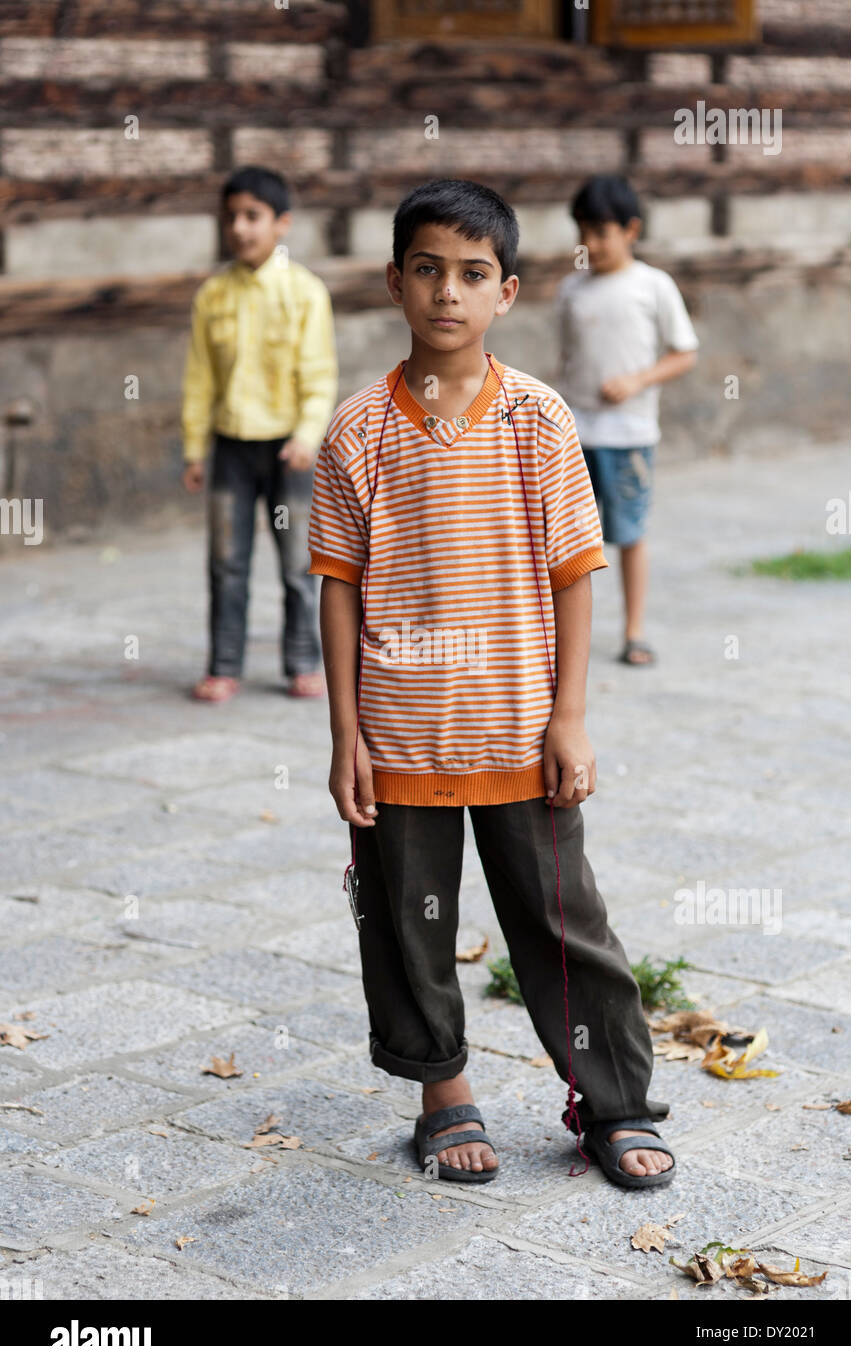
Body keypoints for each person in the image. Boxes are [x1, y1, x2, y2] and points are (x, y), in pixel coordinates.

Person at [307, 179, 674, 1190]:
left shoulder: (538, 421)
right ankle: (442, 1090)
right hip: (399, 734)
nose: (446, 293)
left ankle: (612, 1101)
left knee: (564, 923)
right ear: (393, 280)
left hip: (520, 728)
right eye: (426, 268)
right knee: (407, 923)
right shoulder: (355, 434)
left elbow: (571, 574)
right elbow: (337, 591)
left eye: (472, 274)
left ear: (507, 291)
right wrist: (345, 737)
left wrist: (569, 717)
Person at [181, 165, 338, 700]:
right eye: (231, 217)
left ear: (282, 223)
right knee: (226, 562)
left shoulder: (305, 293)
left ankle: (302, 661)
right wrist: (192, 448)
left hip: (289, 451)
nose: (241, 228)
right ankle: (224, 664)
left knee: (298, 562)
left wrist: (307, 435)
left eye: (253, 216)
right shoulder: (213, 296)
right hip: (229, 447)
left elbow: (319, 375)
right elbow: (200, 377)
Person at [555, 174, 698, 666]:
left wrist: (637, 381)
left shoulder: (653, 286)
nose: (590, 244)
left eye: (601, 232)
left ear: (631, 230)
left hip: (630, 435)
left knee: (629, 533)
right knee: (567, 538)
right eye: (582, 232)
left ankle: (634, 631)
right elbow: (567, 361)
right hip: (575, 435)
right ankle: (560, 634)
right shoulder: (571, 290)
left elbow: (684, 353)